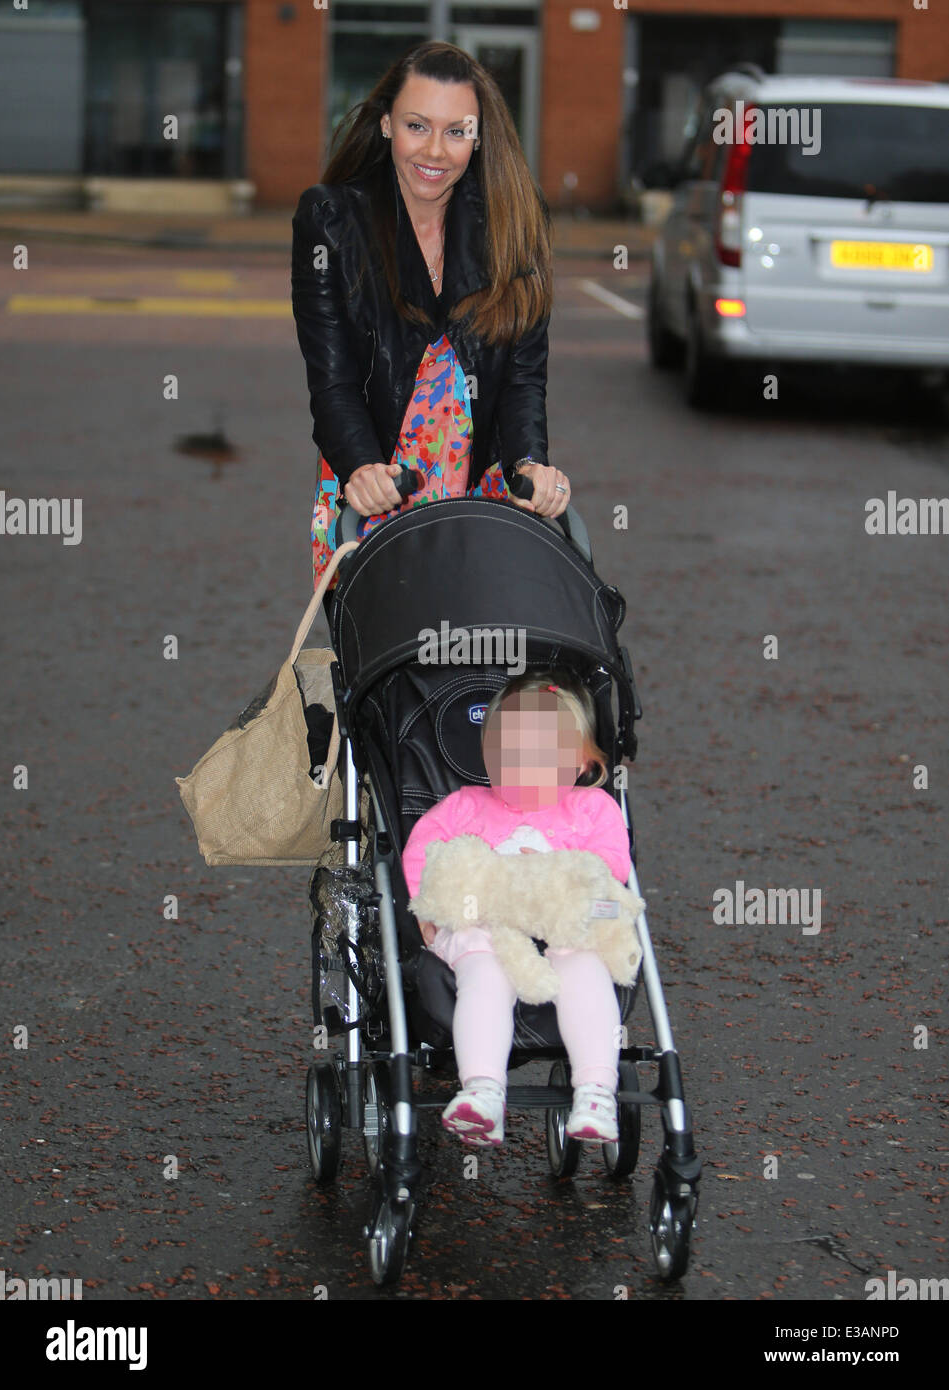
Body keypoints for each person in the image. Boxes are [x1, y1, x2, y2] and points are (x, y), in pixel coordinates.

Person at [290, 40, 572, 589]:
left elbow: (522, 379)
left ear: (478, 136)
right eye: (418, 126)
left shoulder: (515, 226)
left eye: (456, 131)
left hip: (481, 501)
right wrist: (362, 469)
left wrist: (531, 463)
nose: (436, 151)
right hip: (372, 493)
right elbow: (333, 381)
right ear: (387, 125)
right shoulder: (332, 221)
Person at [400, 671, 632, 1147]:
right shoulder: (465, 807)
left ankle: (595, 1091)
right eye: (507, 754)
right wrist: (430, 903)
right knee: (484, 970)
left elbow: (611, 869)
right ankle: (483, 1089)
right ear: (487, 754)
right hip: (485, 928)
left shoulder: (593, 811)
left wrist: (558, 875)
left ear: (582, 763)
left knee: (586, 966)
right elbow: (424, 851)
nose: (522, 767)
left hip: (566, 926)